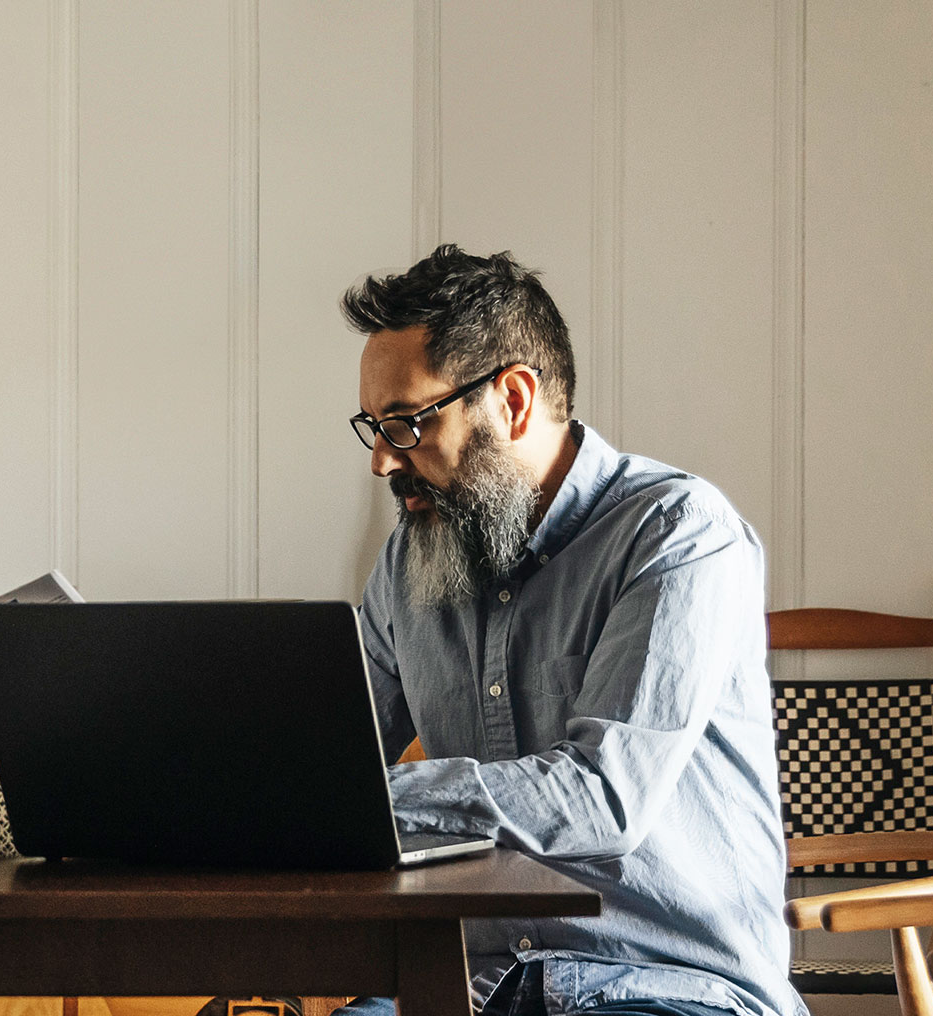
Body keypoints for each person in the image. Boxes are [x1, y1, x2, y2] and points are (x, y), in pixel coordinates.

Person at [338, 246, 803, 1016]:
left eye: (407, 423)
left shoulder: (678, 534)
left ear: (513, 399)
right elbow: (330, 756)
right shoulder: (407, 565)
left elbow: (602, 796)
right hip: (472, 990)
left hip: (669, 989)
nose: (384, 461)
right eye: (374, 427)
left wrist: (353, 800)